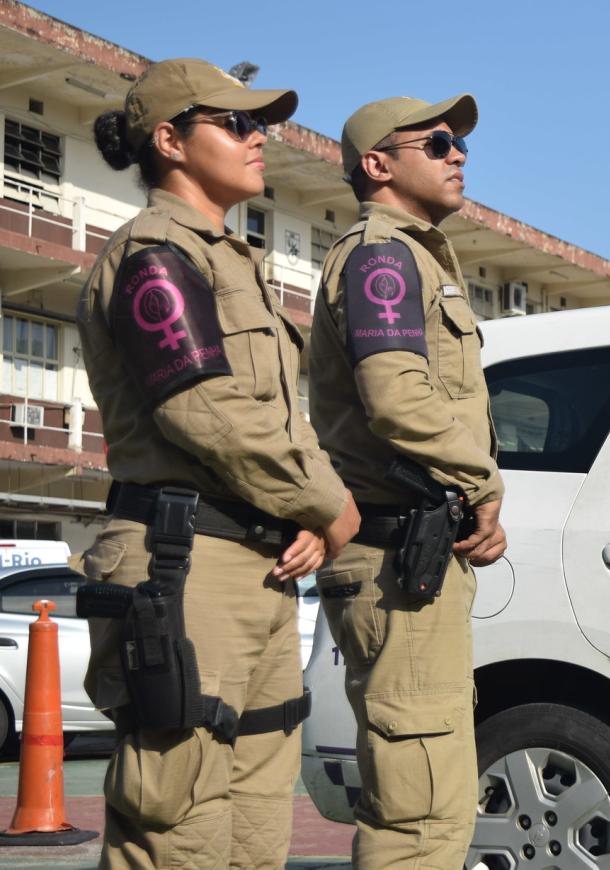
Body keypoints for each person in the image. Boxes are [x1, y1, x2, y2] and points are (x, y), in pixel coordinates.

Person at [74, 58, 361, 869]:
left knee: (256, 832)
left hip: (255, 564)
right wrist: (329, 502)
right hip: (182, 564)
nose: (257, 136)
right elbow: (203, 409)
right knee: (180, 830)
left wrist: (301, 514)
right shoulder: (156, 254)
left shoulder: (232, 257)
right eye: (235, 122)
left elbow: (276, 417)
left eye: (257, 123)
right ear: (169, 140)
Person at [309, 94, 507, 869]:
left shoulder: (414, 256)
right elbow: (396, 397)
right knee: (418, 813)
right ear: (379, 164)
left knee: (434, 794)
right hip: (397, 553)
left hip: (416, 551)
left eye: (458, 142)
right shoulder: (382, 256)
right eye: (439, 141)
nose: (459, 153)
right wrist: (482, 481)